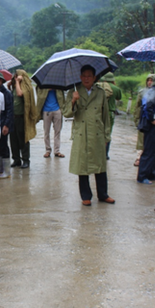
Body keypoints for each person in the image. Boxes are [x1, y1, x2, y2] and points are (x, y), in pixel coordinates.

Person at [62, 65, 115, 207]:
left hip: (97, 133)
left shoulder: (101, 93)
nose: (86, 78)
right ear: (80, 77)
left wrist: (106, 136)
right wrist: (73, 101)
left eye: (89, 76)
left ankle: (103, 194)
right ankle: (86, 196)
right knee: (82, 166)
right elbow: (66, 113)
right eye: (83, 76)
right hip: (81, 133)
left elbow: (106, 117)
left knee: (100, 166)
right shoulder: (73, 92)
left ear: (94, 77)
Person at [136, 73, 155, 184]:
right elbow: (146, 107)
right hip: (152, 126)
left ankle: (152, 173)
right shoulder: (152, 93)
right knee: (149, 151)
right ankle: (142, 175)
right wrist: (152, 120)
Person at [9, 69, 38, 169]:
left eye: (17, 76)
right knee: (13, 140)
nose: (15, 77)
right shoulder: (14, 87)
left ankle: (26, 160)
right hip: (13, 117)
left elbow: (20, 94)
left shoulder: (26, 87)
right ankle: (16, 159)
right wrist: (13, 83)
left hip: (22, 117)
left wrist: (17, 82)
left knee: (23, 140)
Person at [35, 86, 66, 158]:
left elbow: (62, 97)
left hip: (57, 109)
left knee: (57, 131)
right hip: (46, 110)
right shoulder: (42, 86)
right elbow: (39, 95)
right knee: (46, 132)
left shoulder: (58, 85)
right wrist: (46, 90)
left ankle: (57, 151)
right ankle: (48, 150)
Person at [0, 72, 13, 178]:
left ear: (1, 80)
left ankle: (7, 171)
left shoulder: (6, 93)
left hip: (3, 123)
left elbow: (10, 110)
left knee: (4, 146)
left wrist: (6, 125)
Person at [133, 74, 155, 166]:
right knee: (141, 140)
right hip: (143, 119)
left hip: (154, 120)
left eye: (152, 80)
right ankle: (139, 157)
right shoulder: (142, 92)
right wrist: (136, 119)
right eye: (148, 80)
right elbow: (137, 106)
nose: (150, 82)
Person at [99, 73, 122, 159]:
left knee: (98, 132)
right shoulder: (116, 88)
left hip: (99, 112)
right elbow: (119, 98)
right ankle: (105, 154)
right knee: (107, 133)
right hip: (110, 112)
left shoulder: (99, 86)